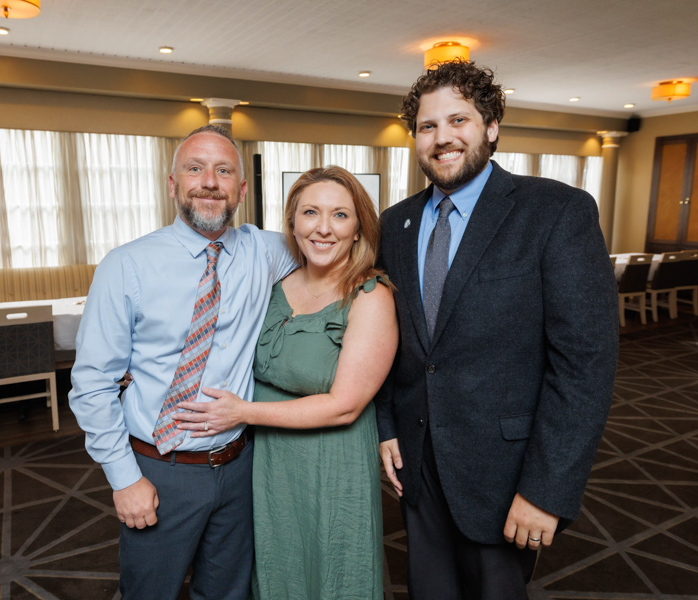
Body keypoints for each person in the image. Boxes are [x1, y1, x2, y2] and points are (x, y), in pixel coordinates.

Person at [375, 59, 619, 600]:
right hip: (418, 466)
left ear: (491, 126)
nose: (442, 139)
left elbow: (585, 365)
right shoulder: (395, 224)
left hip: (506, 475)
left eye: (458, 121)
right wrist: (387, 426)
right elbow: (393, 344)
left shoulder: (556, 211)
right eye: (428, 126)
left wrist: (547, 490)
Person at [68, 125, 296, 600]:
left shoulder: (267, 250)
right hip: (158, 468)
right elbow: (92, 384)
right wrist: (124, 479)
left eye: (223, 170)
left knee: (229, 593)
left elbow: (331, 244)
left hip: (240, 467)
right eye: (195, 168)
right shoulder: (126, 265)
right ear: (172, 184)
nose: (209, 182)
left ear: (241, 188)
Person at [175, 166, 398, 600]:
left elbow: (345, 405)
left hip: (333, 463)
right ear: (292, 223)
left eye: (340, 216)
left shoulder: (370, 295)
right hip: (270, 463)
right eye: (311, 212)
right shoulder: (275, 284)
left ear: (358, 229)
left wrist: (242, 412)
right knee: (278, 571)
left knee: (334, 569)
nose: (323, 228)